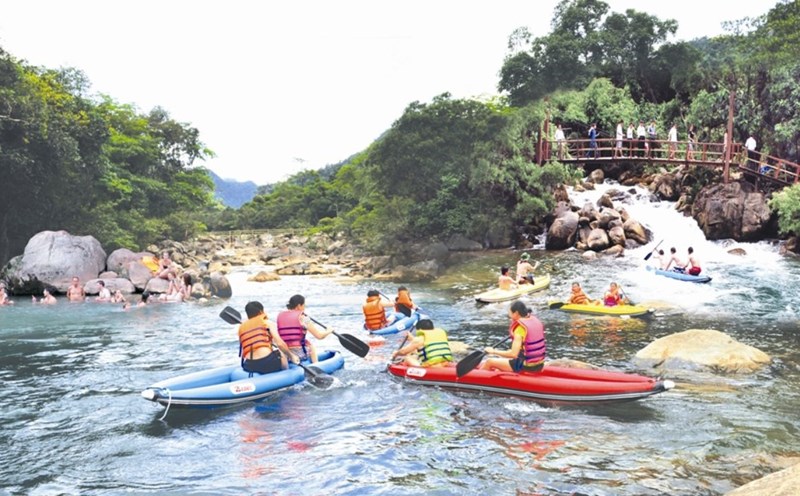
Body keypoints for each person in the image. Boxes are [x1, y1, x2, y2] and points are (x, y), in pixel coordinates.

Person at [480, 301, 546, 373]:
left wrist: (493, 352)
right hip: (539, 364)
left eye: (510, 313)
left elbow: (513, 354)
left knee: (489, 361)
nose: (509, 315)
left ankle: (475, 380)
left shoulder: (519, 329)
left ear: (516, 313)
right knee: (498, 369)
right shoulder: (534, 321)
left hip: (525, 366)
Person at [238, 301, 297, 374]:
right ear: (261, 312)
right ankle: (287, 375)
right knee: (282, 351)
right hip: (267, 362)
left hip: (249, 365)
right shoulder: (267, 323)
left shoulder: (242, 327)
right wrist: (292, 356)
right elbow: (280, 344)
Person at [276, 294, 333, 363]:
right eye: (304, 305)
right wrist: (329, 331)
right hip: (300, 353)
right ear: (299, 306)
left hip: (284, 353)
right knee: (310, 346)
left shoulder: (280, 316)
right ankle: (316, 364)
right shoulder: (304, 318)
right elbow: (319, 336)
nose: (304, 307)